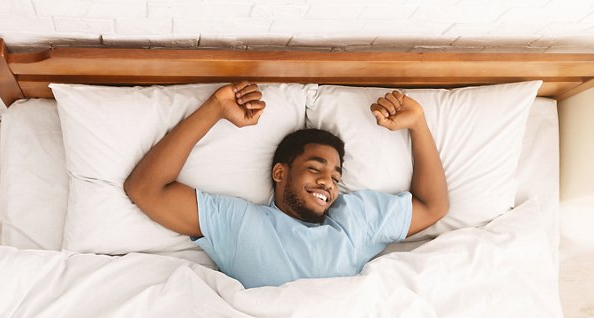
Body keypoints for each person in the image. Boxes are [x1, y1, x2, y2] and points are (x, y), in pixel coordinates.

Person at [124, 82, 448, 288]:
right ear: (280, 173)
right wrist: (214, 109)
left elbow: (433, 206)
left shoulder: (356, 218)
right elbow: (145, 188)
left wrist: (418, 125)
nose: (328, 183)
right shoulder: (240, 223)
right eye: (315, 168)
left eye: (336, 177)